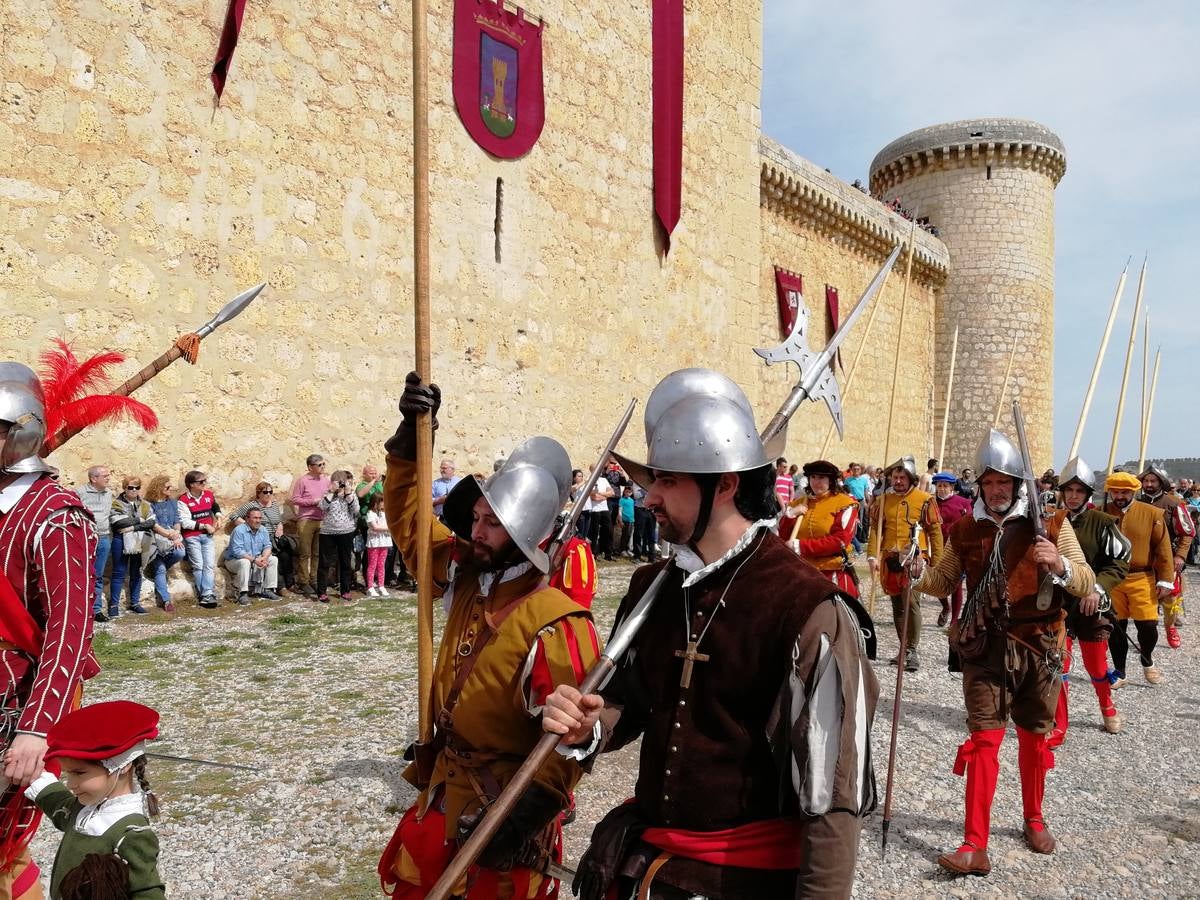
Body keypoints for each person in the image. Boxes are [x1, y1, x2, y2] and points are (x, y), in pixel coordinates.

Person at [542, 368, 879, 900]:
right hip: (651, 864)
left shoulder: (809, 609)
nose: (649, 498)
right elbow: (627, 701)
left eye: (668, 481)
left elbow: (831, 796)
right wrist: (590, 725)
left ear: (724, 485)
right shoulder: (650, 587)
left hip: (749, 880)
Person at [377, 373, 600, 899]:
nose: (476, 532)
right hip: (441, 796)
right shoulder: (467, 574)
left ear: (526, 536)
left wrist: (519, 819)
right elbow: (411, 525)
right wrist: (410, 444)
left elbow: (568, 744)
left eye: (492, 524)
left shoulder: (559, 622)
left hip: (500, 818)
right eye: (475, 518)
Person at [913, 428, 1094, 876]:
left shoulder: (1052, 523)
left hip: (1040, 648)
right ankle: (974, 844)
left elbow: (1086, 581)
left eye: (1003, 482)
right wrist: (916, 572)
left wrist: (1060, 564)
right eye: (989, 482)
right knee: (983, 741)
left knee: (1033, 738)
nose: (996, 490)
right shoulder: (965, 528)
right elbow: (942, 581)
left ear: (1016, 484)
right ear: (980, 485)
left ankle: (1034, 818)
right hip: (986, 648)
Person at [0, 362, 101, 898]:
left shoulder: (58, 516)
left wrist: (36, 728)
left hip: (13, 700)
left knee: (4, 847)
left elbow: (70, 632)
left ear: (20, 432)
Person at [24, 700, 164, 900]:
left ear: (122, 766)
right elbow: (59, 805)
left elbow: (148, 893)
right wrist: (31, 773)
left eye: (79, 773)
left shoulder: (132, 834)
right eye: (68, 774)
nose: (70, 784)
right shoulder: (83, 808)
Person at [1046, 458, 1131, 745]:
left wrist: (1096, 589)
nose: (1073, 496)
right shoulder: (1052, 521)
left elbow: (1120, 561)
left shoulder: (1103, 523)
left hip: (1092, 605)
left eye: (1079, 491)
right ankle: (1059, 725)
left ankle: (1107, 706)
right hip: (1058, 605)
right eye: (1068, 490)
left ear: (1087, 494)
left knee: (1095, 666)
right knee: (1058, 664)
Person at [866, 455, 943, 672]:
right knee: (897, 605)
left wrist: (937, 562)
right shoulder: (882, 501)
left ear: (911, 478)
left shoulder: (925, 499)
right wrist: (872, 556)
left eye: (902, 477)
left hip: (914, 559)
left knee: (911, 602)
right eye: (895, 477)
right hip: (890, 558)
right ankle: (903, 647)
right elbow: (875, 530)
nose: (898, 481)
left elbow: (935, 532)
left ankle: (912, 650)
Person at [1102, 471, 1174, 687]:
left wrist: (1165, 579)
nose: (1119, 496)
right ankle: (1120, 672)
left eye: (1124, 492)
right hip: (1111, 578)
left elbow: (1163, 549)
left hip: (1142, 576)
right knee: (1116, 627)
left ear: (1133, 491)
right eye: (1115, 492)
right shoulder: (1100, 512)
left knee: (1148, 626)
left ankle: (1147, 659)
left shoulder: (1152, 514)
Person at [783, 459, 861, 596]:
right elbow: (783, 538)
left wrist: (800, 546)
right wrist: (791, 515)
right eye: (813, 477)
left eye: (821, 477)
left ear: (830, 480)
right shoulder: (797, 503)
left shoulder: (845, 503)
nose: (816, 482)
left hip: (831, 574)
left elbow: (839, 541)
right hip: (801, 572)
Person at [1137, 465, 1194, 648]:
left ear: (1161, 482)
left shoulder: (1174, 503)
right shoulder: (1135, 503)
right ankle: (1148, 634)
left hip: (1167, 559)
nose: (1148, 484)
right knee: (1146, 598)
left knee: (1169, 598)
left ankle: (1170, 628)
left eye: (1153, 481)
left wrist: (1180, 556)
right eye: (1146, 481)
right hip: (1142, 560)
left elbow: (1187, 532)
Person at [106, 477, 157, 618]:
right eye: (130, 487)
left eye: (137, 487)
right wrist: (140, 520)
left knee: (136, 572)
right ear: (124, 488)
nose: (134, 490)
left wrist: (132, 527)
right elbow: (118, 522)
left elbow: (151, 522)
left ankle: (135, 603)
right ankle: (114, 606)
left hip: (140, 540)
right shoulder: (116, 503)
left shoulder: (145, 505)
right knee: (118, 572)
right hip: (120, 540)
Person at [230, 481, 293, 592]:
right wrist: (248, 526)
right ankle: (280, 587)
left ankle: (290, 584)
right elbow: (234, 516)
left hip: (275, 539)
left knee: (286, 556)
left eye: (270, 492)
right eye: (265, 492)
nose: (268, 494)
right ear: (258, 493)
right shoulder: (252, 505)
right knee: (274, 558)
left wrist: (280, 526)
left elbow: (278, 520)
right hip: (260, 538)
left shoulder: (274, 505)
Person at [932, 472, 972, 629]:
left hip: (956, 549)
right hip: (936, 549)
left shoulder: (963, 503)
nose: (941, 489)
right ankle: (945, 607)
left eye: (945, 486)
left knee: (956, 586)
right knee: (936, 584)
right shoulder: (931, 503)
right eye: (939, 486)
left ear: (952, 487)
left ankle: (954, 621)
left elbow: (970, 524)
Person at [177, 470, 221, 608]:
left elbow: (214, 505)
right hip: (192, 537)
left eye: (204, 481)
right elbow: (185, 522)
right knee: (198, 565)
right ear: (191, 484)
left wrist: (218, 516)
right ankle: (206, 594)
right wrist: (204, 525)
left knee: (209, 565)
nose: (204, 483)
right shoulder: (183, 500)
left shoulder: (208, 494)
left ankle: (206, 594)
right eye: (201, 482)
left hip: (207, 536)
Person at [75, 466, 113, 620]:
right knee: (82, 573)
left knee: (98, 574)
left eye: (108, 475)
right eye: (105, 475)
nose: (108, 478)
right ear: (93, 478)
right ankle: (80, 608)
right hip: (86, 538)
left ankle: (96, 610)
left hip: (103, 538)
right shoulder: (79, 493)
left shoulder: (108, 493)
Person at [143, 476, 185, 612]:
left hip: (172, 537)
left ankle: (156, 574)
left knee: (180, 552)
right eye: (167, 487)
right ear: (159, 488)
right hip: (156, 540)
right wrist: (169, 535)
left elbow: (177, 520)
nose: (170, 489)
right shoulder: (148, 504)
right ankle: (166, 601)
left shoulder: (172, 502)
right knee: (160, 569)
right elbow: (153, 524)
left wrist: (176, 534)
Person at [289, 454, 329, 596]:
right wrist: (313, 501)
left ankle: (314, 579)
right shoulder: (303, 481)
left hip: (322, 520)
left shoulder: (326, 480)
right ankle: (303, 581)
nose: (323, 467)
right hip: (306, 519)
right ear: (310, 467)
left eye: (323, 464)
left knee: (318, 553)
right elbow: (295, 499)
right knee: (305, 553)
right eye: (319, 465)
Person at [223, 507, 280, 604]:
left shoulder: (263, 529)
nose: (258, 521)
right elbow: (237, 552)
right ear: (247, 519)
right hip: (234, 560)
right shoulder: (239, 530)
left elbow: (267, 546)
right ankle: (243, 593)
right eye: (255, 518)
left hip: (254, 558)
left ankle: (268, 590)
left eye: (260, 518)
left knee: (273, 559)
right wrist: (254, 560)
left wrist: (264, 558)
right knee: (245, 562)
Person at [317, 470, 359, 603]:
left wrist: (348, 494)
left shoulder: (350, 494)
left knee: (345, 562)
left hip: (346, 532)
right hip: (327, 532)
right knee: (324, 563)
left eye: (342, 482)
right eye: (337, 482)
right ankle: (322, 592)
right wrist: (331, 492)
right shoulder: (327, 494)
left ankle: (345, 590)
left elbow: (356, 510)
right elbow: (322, 507)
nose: (340, 485)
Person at [364, 493, 392, 598]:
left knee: (381, 565)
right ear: (376, 503)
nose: (384, 504)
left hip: (384, 541)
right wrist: (389, 528)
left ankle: (381, 585)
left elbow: (387, 524)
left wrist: (387, 527)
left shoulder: (384, 513)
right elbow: (375, 527)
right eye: (382, 502)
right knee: (372, 565)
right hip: (374, 543)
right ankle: (370, 587)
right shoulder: (370, 514)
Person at [586, 465, 615, 562]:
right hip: (594, 510)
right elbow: (594, 497)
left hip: (604, 509)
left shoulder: (604, 480)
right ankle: (593, 553)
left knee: (608, 530)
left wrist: (601, 494)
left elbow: (612, 493)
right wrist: (605, 495)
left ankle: (608, 553)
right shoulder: (589, 480)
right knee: (594, 532)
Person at [617, 485, 636, 557]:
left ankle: (627, 549)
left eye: (629, 492)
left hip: (631, 520)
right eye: (627, 492)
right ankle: (622, 549)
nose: (628, 493)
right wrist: (620, 520)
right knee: (624, 535)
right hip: (625, 520)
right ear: (624, 492)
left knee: (629, 535)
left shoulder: (632, 500)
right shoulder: (622, 500)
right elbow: (620, 510)